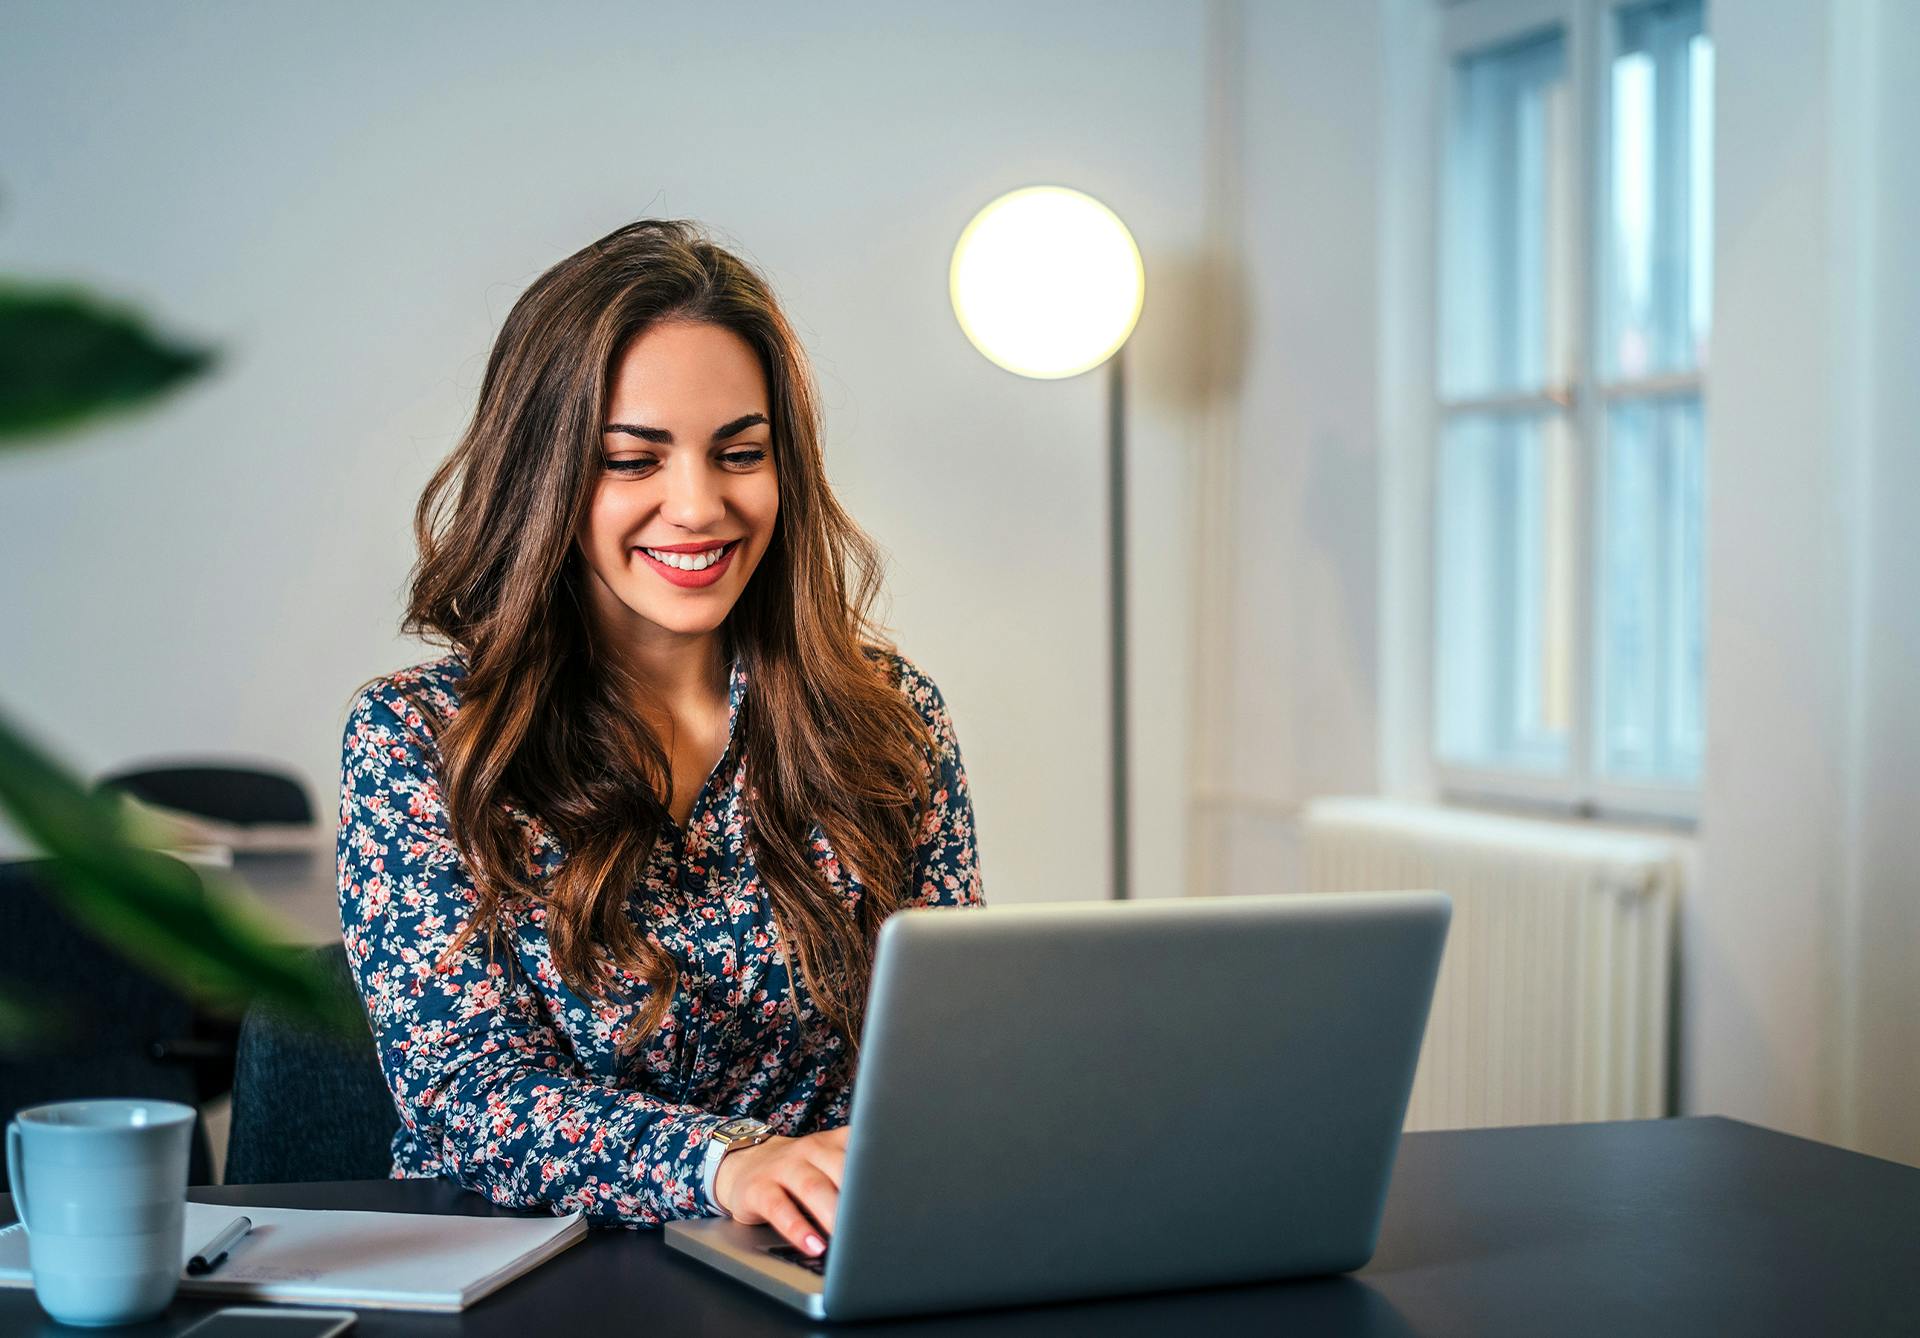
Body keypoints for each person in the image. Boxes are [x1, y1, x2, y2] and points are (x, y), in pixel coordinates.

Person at [336, 219, 984, 1260]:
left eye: (741, 454)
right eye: (634, 461)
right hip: (531, 1280)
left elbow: (948, 1051)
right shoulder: (422, 737)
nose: (699, 507)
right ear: (544, 478)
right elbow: (465, 1099)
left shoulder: (890, 717)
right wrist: (727, 1162)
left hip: (820, 1267)